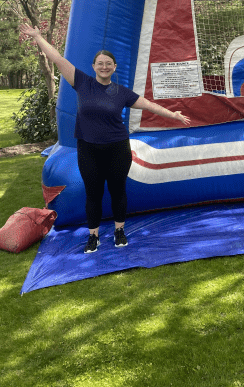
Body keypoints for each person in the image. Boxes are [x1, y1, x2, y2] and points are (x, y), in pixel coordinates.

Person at [20, 24, 191, 253]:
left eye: (108, 63)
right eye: (100, 63)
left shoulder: (121, 92)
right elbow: (58, 59)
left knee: (118, 191)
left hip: (117, 148)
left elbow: (148, 105)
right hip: (89, 149)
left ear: (114, 67)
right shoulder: (82, 82)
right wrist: (39, 38)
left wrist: (174, 115)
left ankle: (119, 231)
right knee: (93, 194)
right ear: (93, 67)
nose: (104, 66)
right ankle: (94, 236)